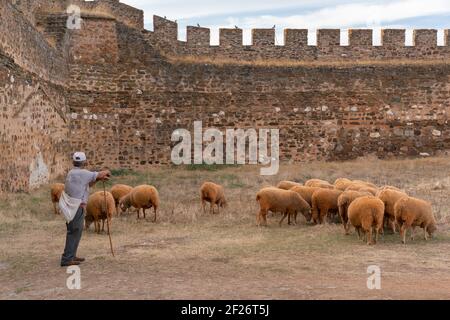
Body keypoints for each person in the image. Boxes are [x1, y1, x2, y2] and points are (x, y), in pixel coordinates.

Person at [60, 152, 111, 267]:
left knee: (75, 232)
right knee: (74, 232)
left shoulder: (71, 173)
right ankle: (67, 258)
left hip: (71, 206)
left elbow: (87, 184)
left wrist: (97, 179)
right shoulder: (83, 173)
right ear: (84, 162)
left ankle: (71, 255)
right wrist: (106, 172)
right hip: (77, 207)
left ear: (74, 162)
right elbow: (102, 173)